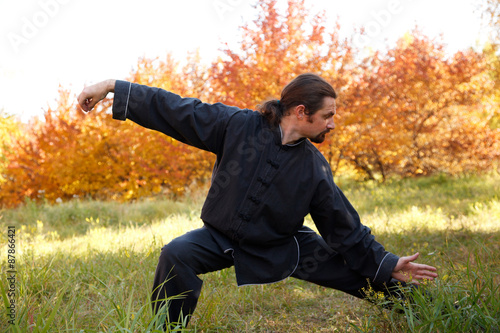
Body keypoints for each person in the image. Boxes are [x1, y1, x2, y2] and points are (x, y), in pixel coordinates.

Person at [78, 74, 438, 328]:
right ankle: (166, 329)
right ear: (301, 112)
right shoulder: (237, 125)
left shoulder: (314, 167)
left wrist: (386, 262)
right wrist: (112, 86)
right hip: (220, 239)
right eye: (327, 115)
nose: (331, 124)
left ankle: (441, 310)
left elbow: (344, 227)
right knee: (176, 253)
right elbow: (178, 110)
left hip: (283, 246)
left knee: (359, 275)